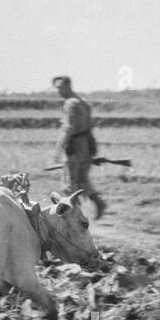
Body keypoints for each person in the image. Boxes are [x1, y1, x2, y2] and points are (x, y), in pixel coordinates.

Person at [53, 75, 106, 219]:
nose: (59, 91)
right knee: (82, 179)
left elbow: (68, 128)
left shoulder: (70, 103)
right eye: (57, 88)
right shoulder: (83, 103)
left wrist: (58, 149)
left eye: (61, 88)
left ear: (68, 86)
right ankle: (98, 202)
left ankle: (73, 216)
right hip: (86, 144)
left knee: (70, 181)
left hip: (75, 145)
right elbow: (89, 125)